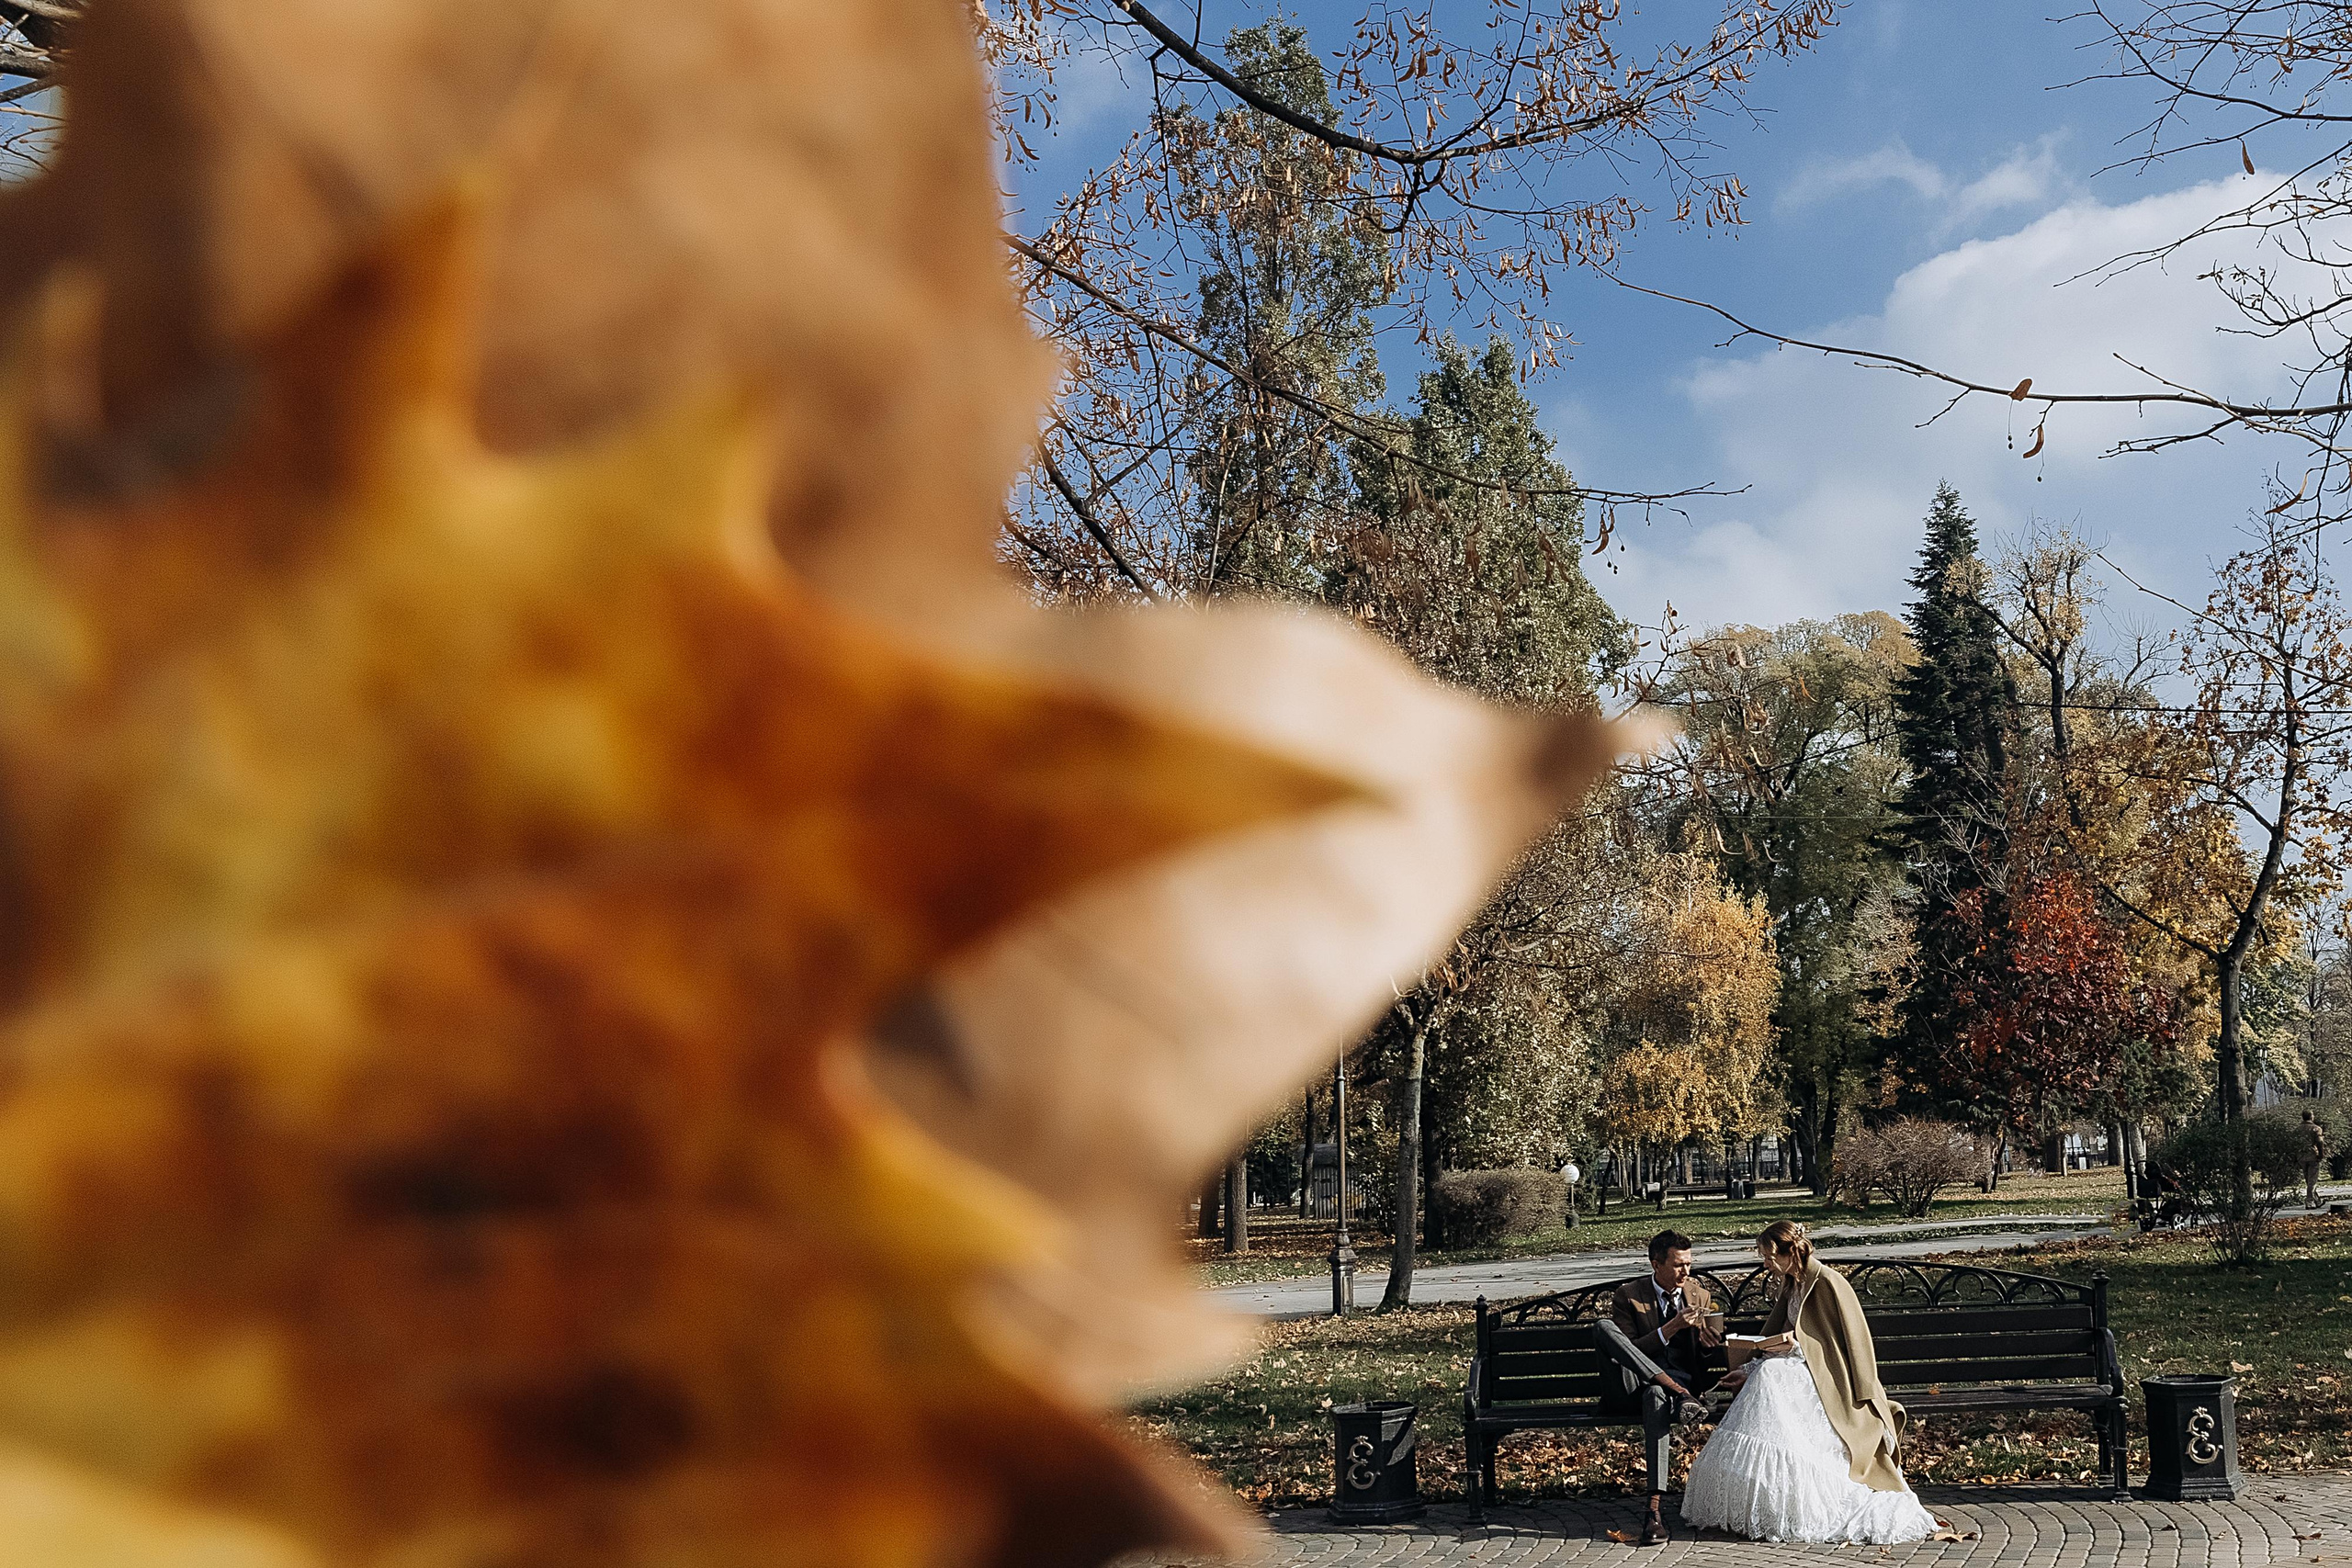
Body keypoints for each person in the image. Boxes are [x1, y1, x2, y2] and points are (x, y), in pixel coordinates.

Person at [1679, 1220, 1941, 1545]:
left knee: (1770, 1376)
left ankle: (1792, 1498)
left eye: (1769, 1257)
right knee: (1767, 1375)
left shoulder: (1829, 1283)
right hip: (1794, 1369)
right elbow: (1777, 1335)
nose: (1765, 1265)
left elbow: (1843, 1346)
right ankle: (1771, 1498)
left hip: (1829, 1378)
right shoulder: (1791, 1283)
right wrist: (1749, 1367)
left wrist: (1797, 1347)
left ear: (1790, 1253)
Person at [1597, 1230, 1724, 1545]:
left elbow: (1701, 1362)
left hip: (1673, 1389)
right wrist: (1672, 1327)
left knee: (1656, 1395)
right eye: (1679, 1265)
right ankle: (1680, 1394)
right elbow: (1629, 1351)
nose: (1686, 1271)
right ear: (1656, 1264)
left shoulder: (1698, 1295)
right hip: (1632, 1386)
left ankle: (1653, 1511)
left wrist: (1708, 1345)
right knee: (1603, 1328)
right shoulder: (1629, 1295)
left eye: (1689, 1263)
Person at [2303, 1111, 2330, 1207]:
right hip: (2312, 1155)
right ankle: (2309, 1202)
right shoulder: (2316, 1128)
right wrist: (2321, 1154)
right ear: (2311, 1117)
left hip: (2301, 1156)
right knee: (2312, 1181)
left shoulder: (2297, 1129)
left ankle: (2317, 1201)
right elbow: (2320, 1142)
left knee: (2308, 1180)